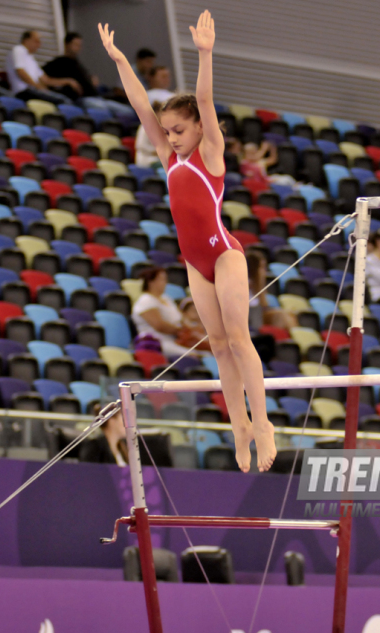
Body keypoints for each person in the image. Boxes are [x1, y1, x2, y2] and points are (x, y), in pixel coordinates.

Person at [100, 12, 276, 473]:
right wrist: (121, 61)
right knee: (217, 344)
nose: (171, 138)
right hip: (195, 263)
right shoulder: (168, 156)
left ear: (199, 127)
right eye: (168, 132)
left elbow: (203, 97)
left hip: (224, 255)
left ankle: (263, 424)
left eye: (179, 130)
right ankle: (238, 426)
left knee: (239, 339)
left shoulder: (210, 151)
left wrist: (204, 53)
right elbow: (141, 107)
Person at [132, 267, 194, 358]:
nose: (165, 283)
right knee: (192, 356)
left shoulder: (167, 299)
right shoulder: (146, 300)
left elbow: (180, 319)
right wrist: (181, 331)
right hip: (156, 341)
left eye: (165, 279)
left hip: (174, 340)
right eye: (161, 279)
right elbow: (159, 325)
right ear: (151, 282)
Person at [5, 31, 76, 105]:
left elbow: (46, 80)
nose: (38, 45)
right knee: (63, 101)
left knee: (66, 98)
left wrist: (68, 81)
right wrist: (37, 87)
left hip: (32, 90)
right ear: (26, 40)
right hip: (23, 91)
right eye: (36, 41)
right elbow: (20, 72)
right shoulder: (19, 50)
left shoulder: (31, 58)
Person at [246, 251, 298, 330]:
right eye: (262, 267)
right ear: (254, 268)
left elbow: (264, 305)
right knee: (281, 316)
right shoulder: (246, 284)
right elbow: (261, 305)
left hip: (257, 316)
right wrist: (260, 283)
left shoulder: (256, 285)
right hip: (250, 317)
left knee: (288, 314)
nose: (264, 272)